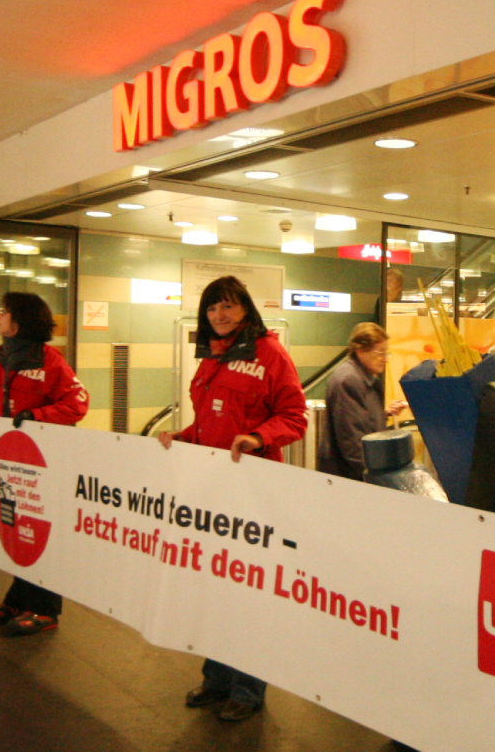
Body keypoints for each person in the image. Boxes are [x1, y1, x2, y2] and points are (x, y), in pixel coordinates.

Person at [158, 276, 307, 722]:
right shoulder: (209, 359)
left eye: (228, 307)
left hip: (255, 492)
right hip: (213, 493)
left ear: (246, 310)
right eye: (212, 309)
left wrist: (260, 437)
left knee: (249, 591)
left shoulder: (270, 354)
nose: (220, 316)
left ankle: (248, 688)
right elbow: (209, 426)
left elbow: (294, 416)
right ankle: (217, 679)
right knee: (214, 587)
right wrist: (181, 437)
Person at [0, 292, 89, 636]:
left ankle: (46, 608)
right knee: (16, 531)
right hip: (7, 461)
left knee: (40, 534)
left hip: (41, 464)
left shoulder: (51, 362)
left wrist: (37, 415)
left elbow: (77, 403)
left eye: (4, 313)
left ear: (20, 321)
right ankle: (18, 599)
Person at [319, 322, 407, 481]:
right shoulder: (348, 380)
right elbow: (352, 442)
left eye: (387, 353)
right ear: (360, 350)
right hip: (348, 477)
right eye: (380, 352)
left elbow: (358, 419)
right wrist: (374, 477)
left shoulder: (365, 378)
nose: (385, 359)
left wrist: (384, 413)